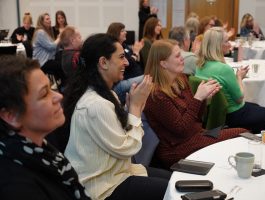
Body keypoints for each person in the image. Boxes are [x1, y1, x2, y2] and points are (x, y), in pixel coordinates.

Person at [63, 34, 171, 200]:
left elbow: (120, 136)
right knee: (174, 189)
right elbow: (128, 149)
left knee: (175, 179)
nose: (127, 62)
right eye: (121, 57)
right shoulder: (95, 104)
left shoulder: (106, 94)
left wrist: (133, 107)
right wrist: (135, 108)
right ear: (103, 62)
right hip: (103, 187)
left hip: (117, 173)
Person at [143, 39, 247, 168]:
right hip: (177, 149)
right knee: (242, 134)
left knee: (243, 133)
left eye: (180, 54)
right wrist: (198, 98)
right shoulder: (156, 95)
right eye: (177, 56)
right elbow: (181, 129)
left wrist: (204, 99)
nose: (182, 58)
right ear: (163, 64)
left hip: (195, 135)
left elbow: (197, 119)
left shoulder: (180, 80)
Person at [0, 55, 90, 200]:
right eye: (44, 94)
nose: (59, 96)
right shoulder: (16, 186)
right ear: (12, 115)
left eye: (51, 88)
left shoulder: (42, 149)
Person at [195, 27, 265, 134]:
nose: (230, 44)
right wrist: (239, 77)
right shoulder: (224, 69)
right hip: (234, 116)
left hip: (217, 116)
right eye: (226, 41)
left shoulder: (200, 65)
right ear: (218, 45)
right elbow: (239, 98)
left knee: (256, 106)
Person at [107, 22, 144, 104]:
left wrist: (136, 53)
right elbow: (128, 64)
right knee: (151, 78)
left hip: (132, 77)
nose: (126, 32)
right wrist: (135, 53)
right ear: (115, 33)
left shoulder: (125, 46)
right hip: (121, 83)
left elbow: (133, 62)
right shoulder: (112, 48)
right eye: (122, 30)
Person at [32, 13, 65, 88]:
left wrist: (60, 43)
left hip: (48, 60)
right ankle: (63, 86)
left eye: (49, 19)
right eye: (47, 19)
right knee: (62, 66)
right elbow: (51, 47)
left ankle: (62, 84)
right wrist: (59, 38)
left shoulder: (46, 32)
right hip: (42, 62)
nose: (50, 21)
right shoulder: (40, 32)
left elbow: (55, 48)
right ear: (42, 21)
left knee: (63, 58)